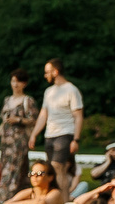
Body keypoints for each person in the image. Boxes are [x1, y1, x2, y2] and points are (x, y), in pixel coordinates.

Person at [36, 57, 84, 194]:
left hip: (65, 134)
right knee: (51, 170)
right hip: (49, 135)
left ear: (55, 72)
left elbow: (78, 116)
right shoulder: (48, 92)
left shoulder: (71, 90)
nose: (45, 75)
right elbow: (43, 115)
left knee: (58, 167)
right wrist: (34, 134)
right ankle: (57, 202)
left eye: (47, 72)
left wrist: (76, 139)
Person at [0, 70, 36, 204]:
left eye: (18, 81)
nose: (15, 84)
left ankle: (5, 197)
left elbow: (34, 120)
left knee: (13, 169)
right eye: (13, 81)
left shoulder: (27, 100)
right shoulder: (7, 100)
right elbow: (3, 124)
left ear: (24, 83)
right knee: (12, 168)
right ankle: (23, 194)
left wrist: (18, 119)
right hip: (6, 141)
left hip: (19, 141)